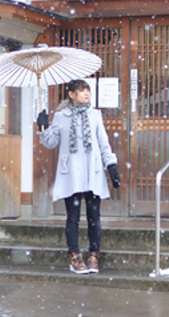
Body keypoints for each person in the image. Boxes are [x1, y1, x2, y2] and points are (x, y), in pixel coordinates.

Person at [37, 79, 121, 274]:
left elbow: (103, 142)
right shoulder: (61, 116)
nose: (86, 94)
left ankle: (93, 255)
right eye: (81, 91)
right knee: (72, 217)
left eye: (87, 90)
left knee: (94, 216)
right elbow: (51, 142)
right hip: (72, 171)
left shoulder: (95, 115)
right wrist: (43, 127)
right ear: (71, 94)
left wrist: (111, 165)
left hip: (93, 170)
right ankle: (74, 256)